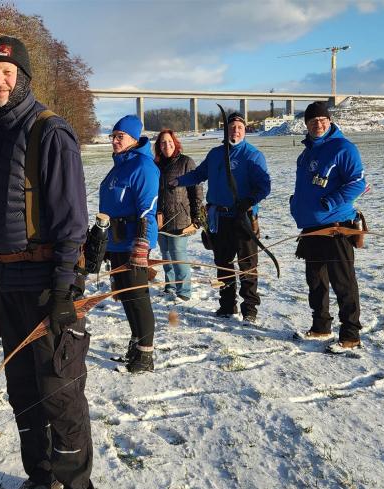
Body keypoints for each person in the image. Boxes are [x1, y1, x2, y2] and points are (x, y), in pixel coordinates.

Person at [0, 36, 96, 489]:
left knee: (60, 393)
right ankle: (41, 476)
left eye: (7, 72)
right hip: (7, 285)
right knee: (22, 391)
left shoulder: (50, 132)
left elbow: (73, 222)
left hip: (46, 288)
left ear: (23, 77)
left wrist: (63, 290)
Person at [172, 112, 271, 322]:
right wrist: (178, 182)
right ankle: (227, 306)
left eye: (240, 127)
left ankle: (249, 310)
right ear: (226, 130)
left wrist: (250, 200)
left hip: (243, 218)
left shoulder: (253, 155)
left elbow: (264, 186)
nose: (236, 130)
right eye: (232, 127)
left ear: (245, 131)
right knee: (223, 264)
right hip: (220, 218)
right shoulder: (216, 154)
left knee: (247, 265)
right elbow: (199, 174)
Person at [290, 101, 367, 352]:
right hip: (311, 228)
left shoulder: (343, 148)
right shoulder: (305, 154)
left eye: (323, 120)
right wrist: (295, 205)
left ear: (330, 121)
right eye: (313, 121)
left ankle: (351, 334)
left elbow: (358, 182)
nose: (318, 124)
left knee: (343, 283)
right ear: (306, 124)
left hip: (336, 226)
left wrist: (330, 202)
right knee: (316, 281)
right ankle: (321, 326)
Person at [99, 115, 159, 373]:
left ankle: (145, 355)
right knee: (125, 296)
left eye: (120, 136)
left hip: (133, 243)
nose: (114, 140)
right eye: (113, 136)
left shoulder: (143, 166)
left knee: (138, 297)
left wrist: (142, 245)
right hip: (115, 241)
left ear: (134, 138)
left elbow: (148, 208)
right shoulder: (119, 165)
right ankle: (135, 345)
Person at [154, 129, 203, 301]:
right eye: (163, 142)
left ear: (175, 143)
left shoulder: (186, 162)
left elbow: (196, 189)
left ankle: (184, 291)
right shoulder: (155, 165)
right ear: (158, 146)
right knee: (165, 254)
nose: (166, 145)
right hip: (160, 217)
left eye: (169, 141)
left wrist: (197, 214)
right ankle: (170, 285)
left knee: (178, 254)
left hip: (180, 216)